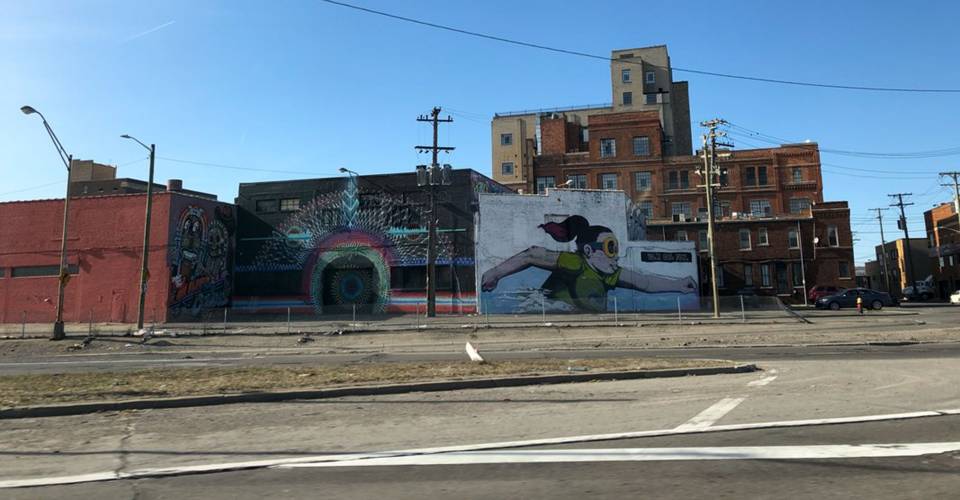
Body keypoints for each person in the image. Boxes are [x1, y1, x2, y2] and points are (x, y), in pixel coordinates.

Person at [480, 215, 697, 313]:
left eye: (615, 248)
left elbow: (646, 282)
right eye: (609, 248)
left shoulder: (609, 273)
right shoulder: (576, 262)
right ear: (588, 251)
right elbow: (531, 254)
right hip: (552, 311)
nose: (614, 256)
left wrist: (679, 284)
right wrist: (495, 273)